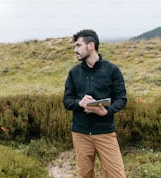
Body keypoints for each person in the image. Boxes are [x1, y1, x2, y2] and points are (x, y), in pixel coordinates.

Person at [63, 29, 127, 178]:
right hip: (80, 134)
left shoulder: (112, 70)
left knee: (116, 175)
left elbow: (121, 99)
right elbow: (67, 101)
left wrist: (106, 112)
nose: (75, 50)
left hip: (105, 132)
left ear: (91, 46)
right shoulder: (74, 72)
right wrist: (80, 103)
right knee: (84, 175)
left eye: (78, 45)